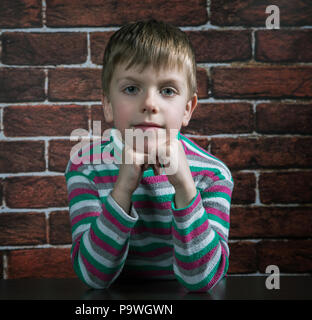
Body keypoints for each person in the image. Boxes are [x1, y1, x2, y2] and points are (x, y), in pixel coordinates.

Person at [65, 19, 234, 292]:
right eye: (132, 89)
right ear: (108, 105)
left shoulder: (212, 175)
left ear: (188, 109)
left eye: (167, 91)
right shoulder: (85, 167)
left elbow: (203, 279)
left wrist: (184, 186)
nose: (149, 104)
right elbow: (93, 277)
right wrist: (122, 189)